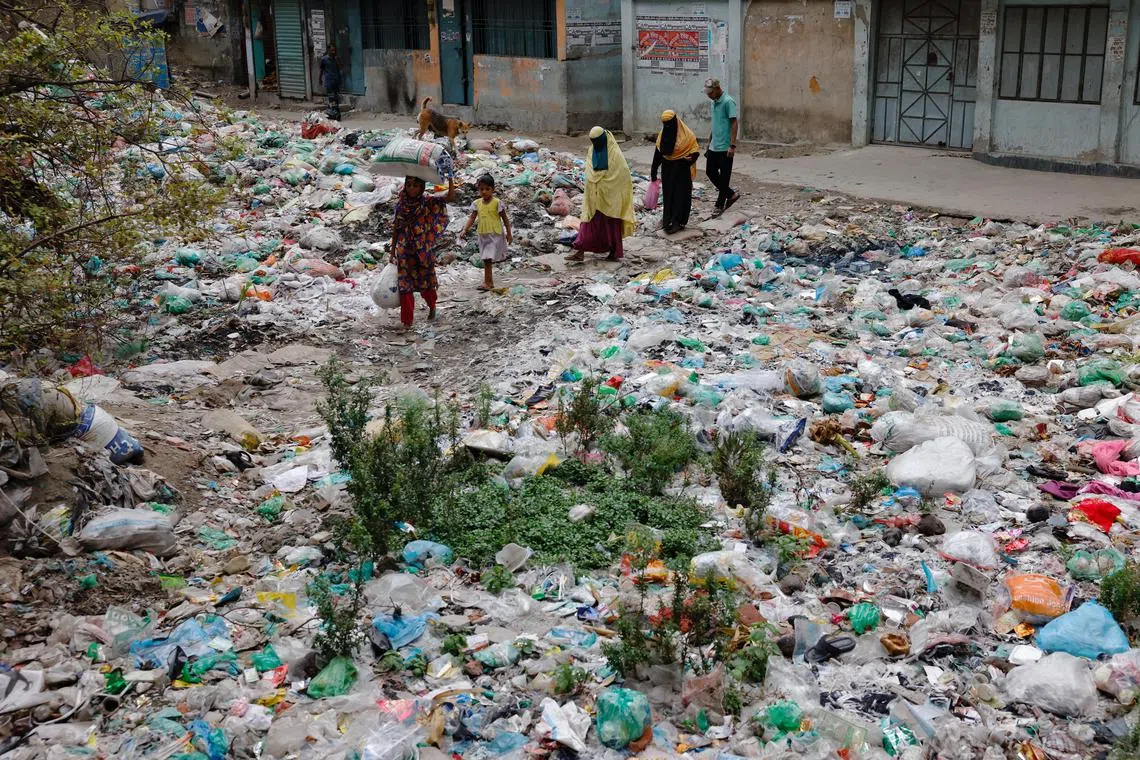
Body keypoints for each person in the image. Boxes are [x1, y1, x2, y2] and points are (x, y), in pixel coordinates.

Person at [390, 175, 457, 329]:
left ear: (422, 187)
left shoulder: (427, 202)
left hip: (423, 250)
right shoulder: (401, 205)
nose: (412, 188)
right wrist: (392, 251)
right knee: (405, 287)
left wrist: (451, 179)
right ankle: (407, 322)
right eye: (409, 185)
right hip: (404, 250)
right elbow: (396, 228)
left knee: (426, 283)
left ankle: (432, 306)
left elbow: (450, 197)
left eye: (415, 185)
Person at [567, 126, 635, 263]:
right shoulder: (592, 150)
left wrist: (606, 187)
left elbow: (623, 177)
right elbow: (590, 172)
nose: (595, 144)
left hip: (610, 200)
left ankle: (614, 252)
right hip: (594, 197)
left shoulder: (615, 154)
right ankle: (579, 251)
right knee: (587, 223)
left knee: (610, 226)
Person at [650, 110, 700, 234]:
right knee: (669, 196)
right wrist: (653, 172)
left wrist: (691, 158)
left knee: (680, 196)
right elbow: (658, 154)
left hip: (682, 170)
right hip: (668, 170)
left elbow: (695, 150)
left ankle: (678, 222)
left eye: (669, 123)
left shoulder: (686, 135)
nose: (667, 126)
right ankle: (668, 221)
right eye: (664, 123)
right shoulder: (663, 135)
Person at [459, 174, 512, 291]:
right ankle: (490, 282)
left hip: (495, 234)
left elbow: (505, 219)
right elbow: (472, 218)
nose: (484, 192)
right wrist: (465, 230)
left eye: (487, 189)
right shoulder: (477, 203)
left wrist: (509, 233)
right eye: (481, 189)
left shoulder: (497, 203)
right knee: (486, 259)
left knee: (487, 258)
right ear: (478, 189)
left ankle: (487, 282)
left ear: (493, 189)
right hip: (483, 234)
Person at [703, 78, 740, 217]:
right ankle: (731, 194)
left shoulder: (727, 101)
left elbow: (734, 123)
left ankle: (719, 205)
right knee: (710, 172)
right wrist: (710, 140)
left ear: (717, 89)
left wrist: (732, 145)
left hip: (725, 147)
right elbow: (716, 123)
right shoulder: (714, 102)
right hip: (714, 145)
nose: (708, 95)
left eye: (710, 92)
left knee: (724, 178)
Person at [320, 44, 342, 120]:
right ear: (328, 50)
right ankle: (333, 113)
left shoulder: (336, 59)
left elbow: (340, 68)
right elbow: (321, 70)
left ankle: (336, 113)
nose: (333, 52)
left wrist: (338, 61)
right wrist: (320, 79)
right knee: (331, 98)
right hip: (329, 81)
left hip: (336, 81)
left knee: (336, 98)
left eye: (334, 50)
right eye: (332, 50)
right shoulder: (324, 59)